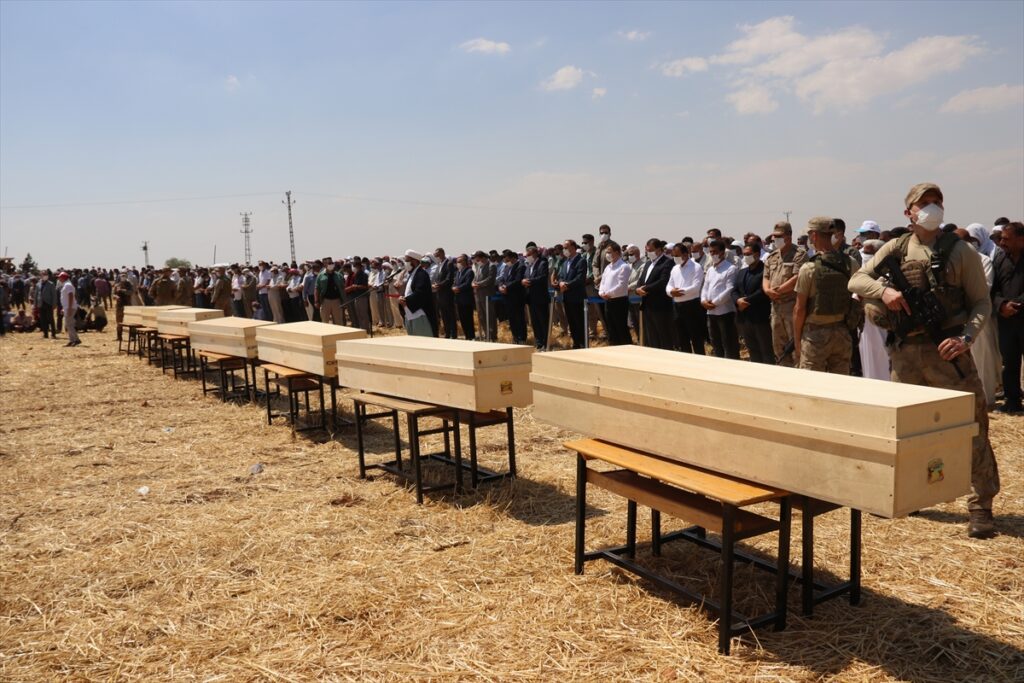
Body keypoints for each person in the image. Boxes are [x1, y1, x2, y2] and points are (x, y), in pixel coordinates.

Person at [849, 182, 1000, 538]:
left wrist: (965, 339)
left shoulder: (959, 251)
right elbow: (857, 279)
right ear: (909, 212)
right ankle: (909, 495)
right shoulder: (896, 247)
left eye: (937, 202)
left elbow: (981, 302)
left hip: (948, 354)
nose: (932, 208)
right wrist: (883, 290)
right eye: (924, 203)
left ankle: (981, 507)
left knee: (972, 427)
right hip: (905, 355)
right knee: (905, 431)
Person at [793, 217, 858, 373]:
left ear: (814, 236)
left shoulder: (809, 268)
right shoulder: (850, 262)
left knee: (813, 387)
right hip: (842, 333)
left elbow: (799, 309)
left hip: (815, 336)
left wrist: (797, 341)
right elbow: (858, 293)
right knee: (840, 385)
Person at [763, 221, 807, 366]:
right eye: (774, 237)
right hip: (775, 307)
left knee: (795, 346)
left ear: (789, 236)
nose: (775, 239)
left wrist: (779, 290)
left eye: (779, 236)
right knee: (779, 348)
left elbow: (797, 278)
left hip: (791, 306)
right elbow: (766, 277)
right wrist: (768, 290)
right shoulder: (772, 256)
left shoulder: (799, 254)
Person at [991, 221, 1023, 414]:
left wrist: (1017, 305)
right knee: (1009, 362)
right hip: (1006, 321)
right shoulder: (1001, 259)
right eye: (1001, 238)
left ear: (1021, 239)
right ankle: (1012, 401)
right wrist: (1001, 305)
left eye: (1006, 239)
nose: (1002, 243)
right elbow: (992, 289)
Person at [857, 240, 891, 381]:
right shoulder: (862, 276)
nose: (865, 255)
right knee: (868, 362)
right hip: (866, 326)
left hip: (883, 325)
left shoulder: (888, 275)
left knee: (883, 359)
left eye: (868, 252)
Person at [700, 240, 740, 359]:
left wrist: (714, 302)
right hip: (710, 312)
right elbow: (705, 287)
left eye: (715, 252)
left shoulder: (731, 268)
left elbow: (729, 289)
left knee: (729, 343)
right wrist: (703, 301)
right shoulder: (711, 270)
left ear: (722, 252)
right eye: (711, 252)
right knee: (716, 342)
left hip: (725, 312)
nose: (713, 255)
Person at [734, 243, 773, 363]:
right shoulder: (742, 272)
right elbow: (734, 290)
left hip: (760, 317)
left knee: (766, 349)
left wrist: (746, 301)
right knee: (752, 349)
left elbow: (763, 291)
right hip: (744, 318)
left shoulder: (765, 271)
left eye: (748, 254)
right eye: (744, 254)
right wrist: (737, 300)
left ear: (757, 254)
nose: (745, 256)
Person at [666, 242, 705, 354]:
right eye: (674, 255)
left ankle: (700, 361)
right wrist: (671, 292)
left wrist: (680, 292)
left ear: (685, 254)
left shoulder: (696, 267)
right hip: (677, 306)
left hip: (691, 305)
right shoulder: (675, 269)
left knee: (696, 337)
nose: (675, 258)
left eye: (677, 255)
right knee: (682, 337)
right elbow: (669, 285)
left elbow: (696, 287)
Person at [635, 238, 673, 350]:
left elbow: (663, 281)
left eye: (651, 250)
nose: (649, 252)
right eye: (647, 250)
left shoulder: (667, 262)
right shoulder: (648, 264)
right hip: (647, 305)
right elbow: (641, 280)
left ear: (659, 249)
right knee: (651, 337)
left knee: (663, 336)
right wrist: (637, 289)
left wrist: (645, 289)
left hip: (660, 306)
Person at [596, 240, 631, 346]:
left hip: (619, 301)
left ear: (617, 252)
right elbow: (603, 282)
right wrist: (601, 292)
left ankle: (627, 348)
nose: (607, 254)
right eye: (607, 252)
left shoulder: (623, 266)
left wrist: (609, 293)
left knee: (621, 327)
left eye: (609, 252)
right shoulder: (608, 267)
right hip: (608, 301)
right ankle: (613, 346)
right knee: (610, 327)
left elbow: (621, 285)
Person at [558, 239, 588, 349]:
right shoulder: (565, 262)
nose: (564, 250)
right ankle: (575, 343)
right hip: (567, 297)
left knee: (579, 322)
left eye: (566, 247)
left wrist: (567, 285)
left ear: (573, 247)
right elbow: (561, 275)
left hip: (577, 297)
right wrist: (561, 282)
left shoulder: (581, 261)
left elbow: (580, 278)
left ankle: (582, 344)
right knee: (572, 322)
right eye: (563, 248)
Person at [399, 250, 435, 337]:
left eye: (407, 260)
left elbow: (421, 293)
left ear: (414, 261)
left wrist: (406, 300)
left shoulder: (422, 274)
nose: (405, 263)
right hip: (409, 313)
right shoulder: (412, 274)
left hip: (419, 315)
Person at [522, 245, 550, 350]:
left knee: (543, 321)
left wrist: (529, 281)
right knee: (535, 322)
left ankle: (545, 343)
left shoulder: (542, 263)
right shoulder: (529, 265)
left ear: (534, 254)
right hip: (531, 298)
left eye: (528, 255)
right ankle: (538, 342)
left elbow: (542, 278)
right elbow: (525, 276)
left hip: (540, 298)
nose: (527, 257)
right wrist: (523, 280)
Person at [498, 250, 527, 344]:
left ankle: (522, 338)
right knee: (512, 319)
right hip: (507, 297)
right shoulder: (507, 267)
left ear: (511, 257)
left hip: (517, 297)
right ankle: (515, 337)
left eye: (505, 257)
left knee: (519, 318)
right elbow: (502, 279)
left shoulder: (521, 266)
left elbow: (518, 280)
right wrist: (501, 286)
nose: (504, 260)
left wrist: (506, 287)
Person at [451, 254, 476, 340]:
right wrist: (453, 287)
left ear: (465, 262)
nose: (457, 263)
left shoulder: (469, 271)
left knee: (468, 319)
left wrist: (458, 288)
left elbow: (468, 284)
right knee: (462, 319)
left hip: (466, 300)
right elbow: (454, 283)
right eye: (457, 262)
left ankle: (471, 336)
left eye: (459, 262)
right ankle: (466, 336)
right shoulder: (458, 272)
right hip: (459, 300)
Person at [316, 260, 345, 325]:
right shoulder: (320, 275)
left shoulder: (339, 275)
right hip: (325, 300)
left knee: (338, 321)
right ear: (325, 265)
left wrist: (344, 300)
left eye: (332, 264)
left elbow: (343, 288)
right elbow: (317, 288)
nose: (331, 265)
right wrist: (316, 301)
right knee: (325, 321)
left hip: (337, 300)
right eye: (329, 264)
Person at [57, 272, 80, 346]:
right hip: (68, 307)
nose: (59, 279)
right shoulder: (66, 285)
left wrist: (69, 308)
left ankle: (75, 340)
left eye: (60, 277)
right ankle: (72, 340)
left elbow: (70, 296)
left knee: (69, 324)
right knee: (68, 324)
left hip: (70, 307)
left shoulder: (68, 285)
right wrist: (64, 308)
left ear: (63, 277)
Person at [36, 271, 58, 339]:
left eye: (46, 274)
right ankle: (45, 334)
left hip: (48, 303)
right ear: (40, 275)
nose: (44, 276)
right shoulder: (38, 284)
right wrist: (35, 304)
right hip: (41, 303)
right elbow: (36, 295)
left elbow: (54, 295)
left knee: (50, 319)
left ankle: (53, 334)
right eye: (43, 275)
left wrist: (54, 304)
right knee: (43, 319)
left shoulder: (51, 284)